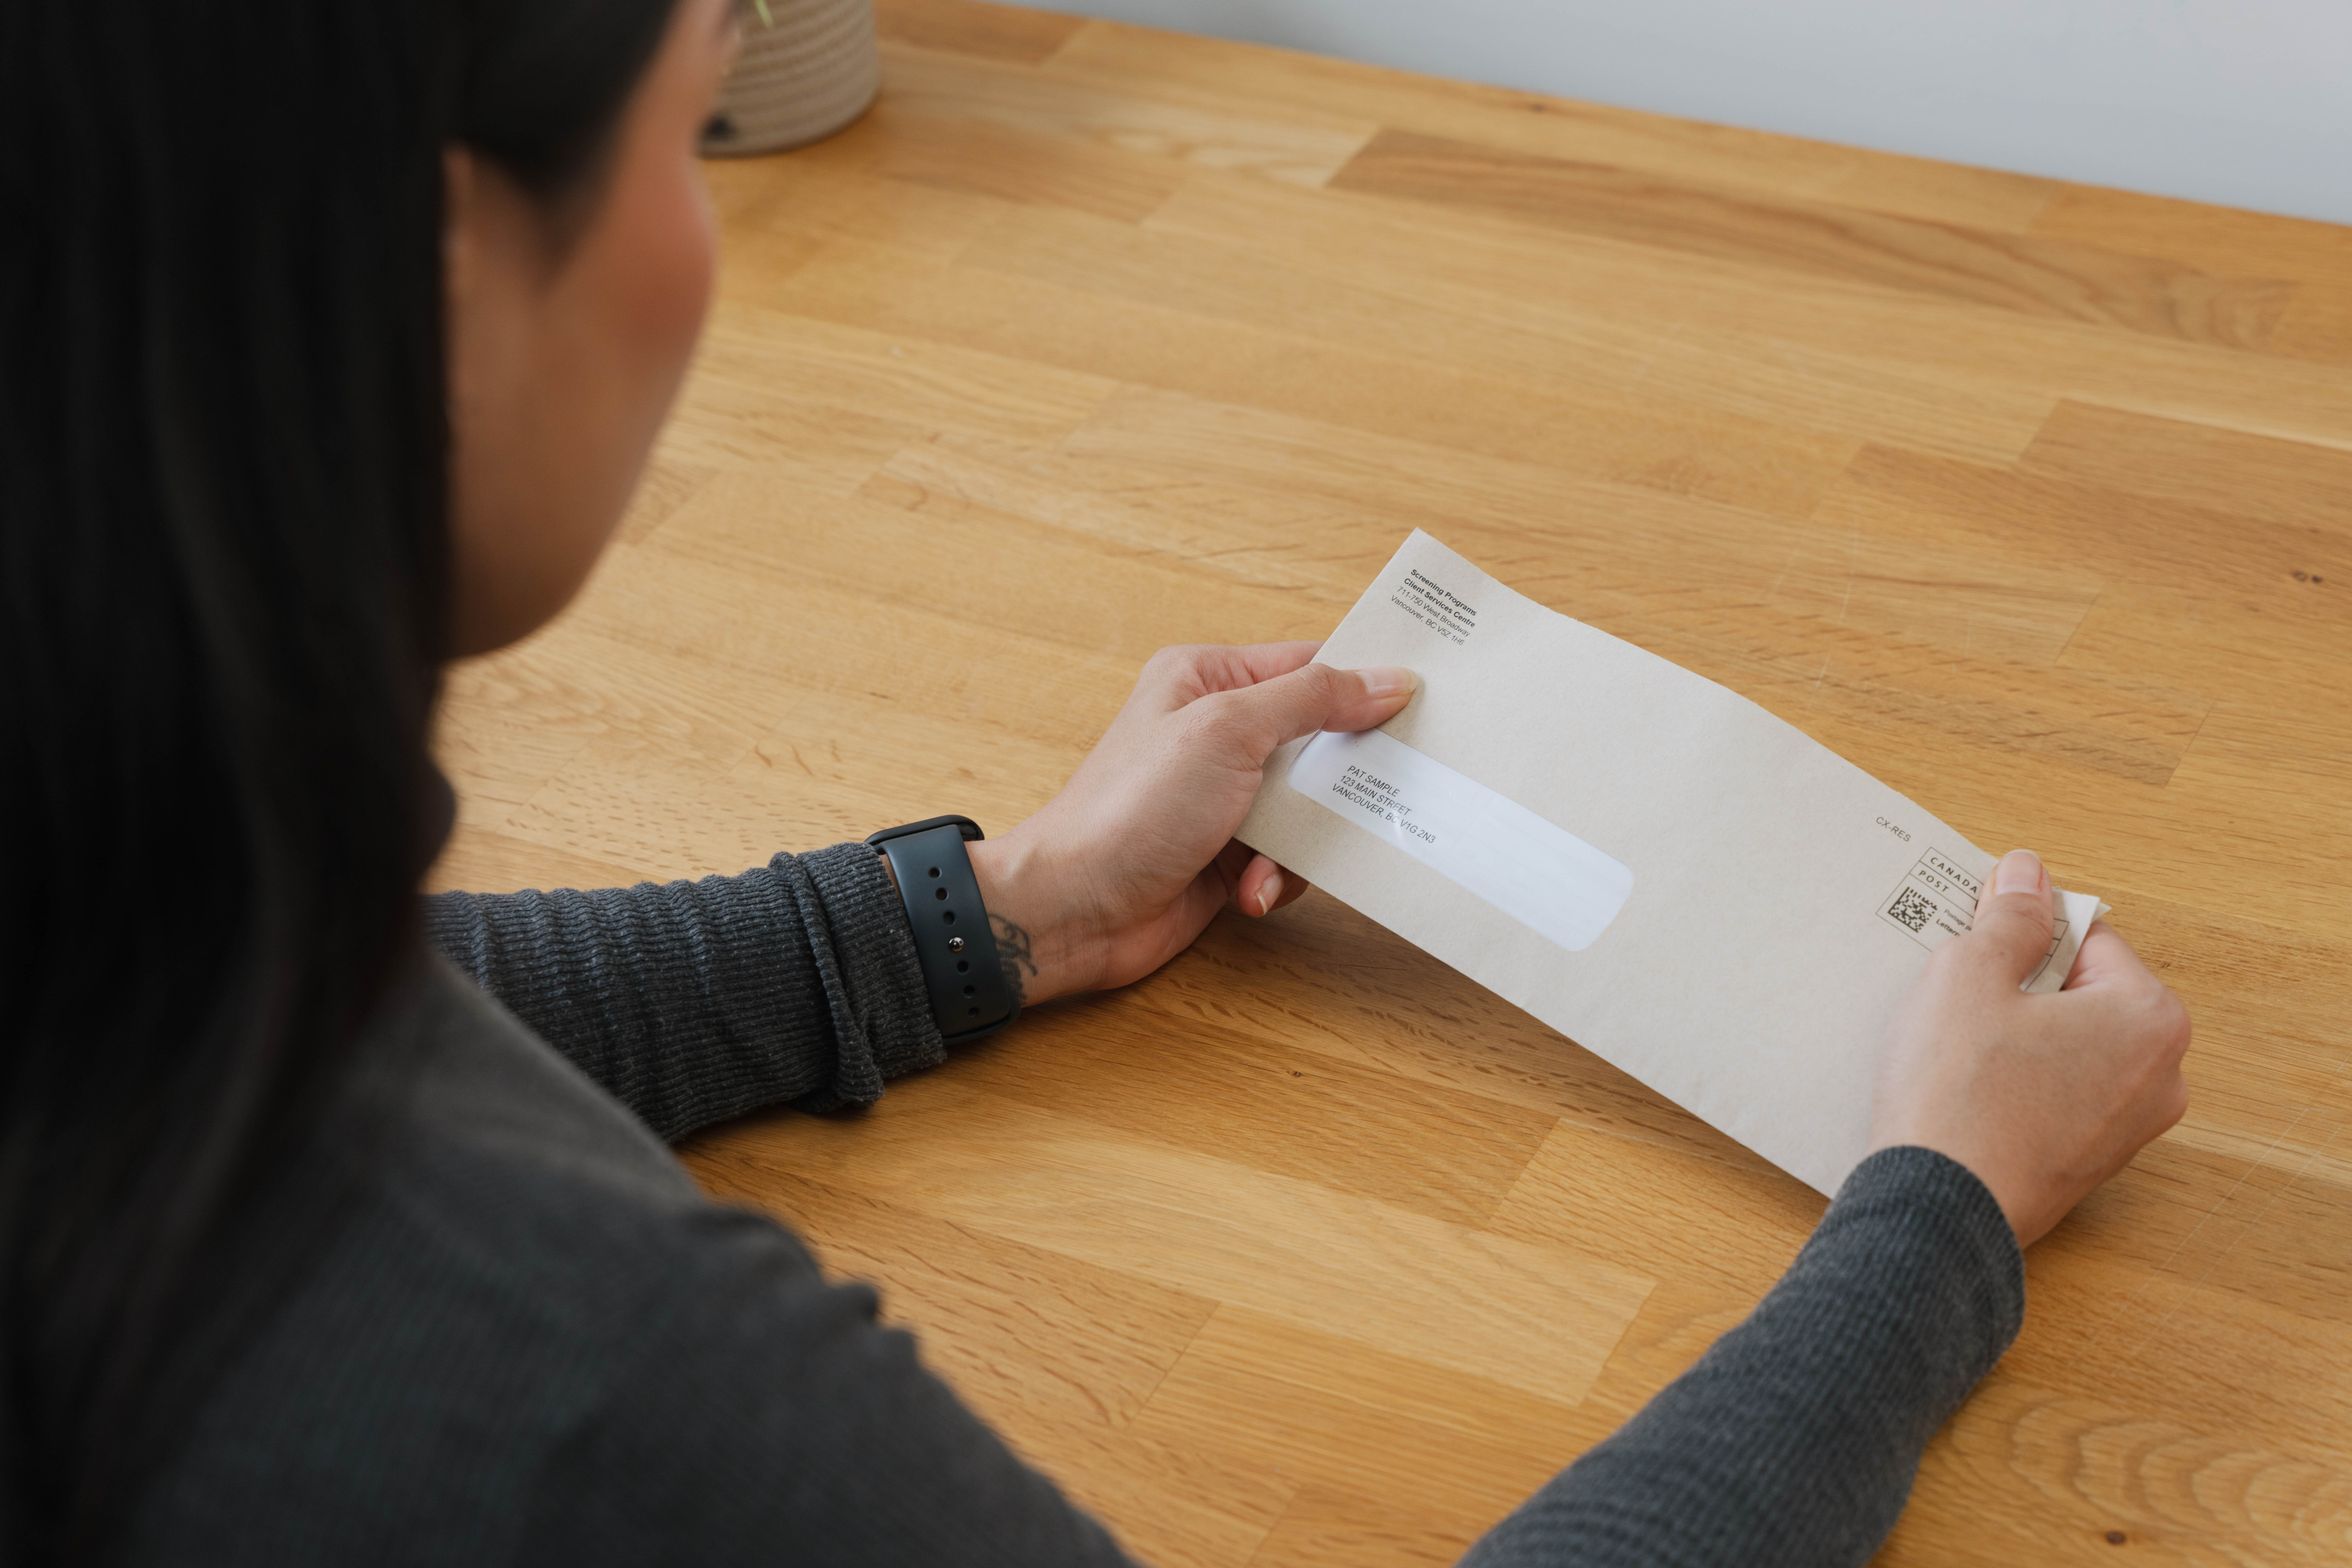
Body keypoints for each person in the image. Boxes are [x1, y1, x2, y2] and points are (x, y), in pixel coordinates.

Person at [0, 0, 2192, 1561]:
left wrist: (987, 915)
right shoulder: (586, 1408)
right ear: (445, 273)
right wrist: (1938, 1225)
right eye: (693, 118)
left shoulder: (128, 916)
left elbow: (271, 1012)